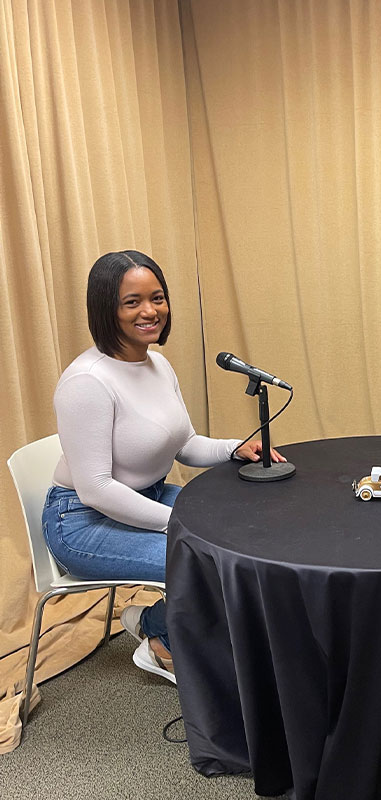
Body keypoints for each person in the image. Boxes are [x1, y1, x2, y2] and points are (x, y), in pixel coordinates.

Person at [41, 250, 285, 683]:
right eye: (131, 302)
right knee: (207, 559)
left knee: (247, 537)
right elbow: (96, 488)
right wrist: (180, 523)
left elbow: (185, 444)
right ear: (106, 309)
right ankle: (161, 637)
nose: (150, 311)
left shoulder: (157, 363)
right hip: (81, 521)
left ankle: (155, 622)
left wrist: (236, 447)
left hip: (145, 496)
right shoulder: (87, 382)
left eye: (157, 298)